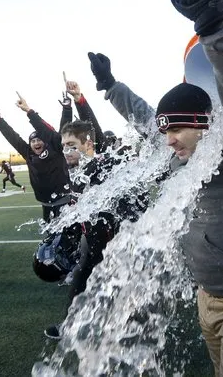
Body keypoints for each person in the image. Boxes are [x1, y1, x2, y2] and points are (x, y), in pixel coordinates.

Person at [86, 0, 223, 376]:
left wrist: (216, 25)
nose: (168, 139)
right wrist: (110, 87)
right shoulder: (179, 156)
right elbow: (146, 118)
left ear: (205, 124)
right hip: (207, 297)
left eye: (177, 128)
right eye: (165, 132)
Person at [42, 118, 148, 339]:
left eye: (72, 145)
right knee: (81, 281)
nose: (66, 150)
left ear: (88, 144)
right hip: (94, 244)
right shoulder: (80, 172)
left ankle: (137, 328)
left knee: (126, 291)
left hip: (120, 246)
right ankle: (71, 324)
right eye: (63, 146)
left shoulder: (104, 167)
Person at [0, 99, 71, 222]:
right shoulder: (28, 154)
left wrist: (67, 109)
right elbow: (13, 138)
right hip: (45, 204)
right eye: (33, 141)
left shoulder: (55, 149)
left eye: (39, 140)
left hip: (64, 202)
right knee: (50, 235)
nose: (36, 143)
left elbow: (65, 129)